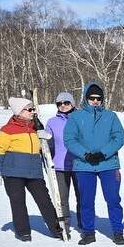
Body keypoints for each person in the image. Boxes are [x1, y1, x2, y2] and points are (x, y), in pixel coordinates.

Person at [64, 81, 124, 245]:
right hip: (84, 165)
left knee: (113, 199)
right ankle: (88, 232)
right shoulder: (76, 117)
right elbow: (70, 140)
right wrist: (85, 154)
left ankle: (118, 232)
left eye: (99, 98)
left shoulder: (110, 116)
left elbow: (119, 137)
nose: (95, 101)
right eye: (92, 98)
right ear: (86, 98)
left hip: (108, 164)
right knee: (86, 201)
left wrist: (103, 153)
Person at [0, 97, 62, 241]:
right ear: (19, 112)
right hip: (13, 173)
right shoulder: (7, 130)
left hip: (34, 173)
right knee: (18, 202)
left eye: (33, 109)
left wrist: (46, 138)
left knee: (44, 200)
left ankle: (56, 229)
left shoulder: (36, 128)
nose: (33, 112)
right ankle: (23, 231)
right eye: (30, 109)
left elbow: (46, 150)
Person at [45, 92, 79, 236]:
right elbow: (48, 144)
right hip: (60, 166)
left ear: (72, 103)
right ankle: (65, 226)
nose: (63, 106)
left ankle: (85, 224)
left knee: (83, 197)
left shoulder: (80, 118)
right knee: (62, 199)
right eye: (59, 104)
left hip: (79, 165)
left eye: (66, 103)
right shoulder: (52, 122)